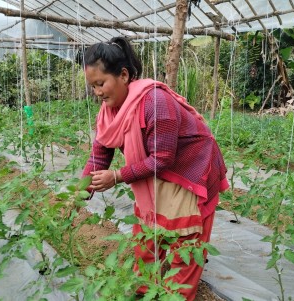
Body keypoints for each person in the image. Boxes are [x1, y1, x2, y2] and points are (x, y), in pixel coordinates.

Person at [82, 36, 228, 301]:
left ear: (123, 75)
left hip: (190, 169)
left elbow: (162, 159)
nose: (98, 93)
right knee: (148, 233)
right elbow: (99, 153)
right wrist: (80, 191)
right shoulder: (109, 111)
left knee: (186, 238)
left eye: (101, 83)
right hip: (158, 171)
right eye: (93, 87)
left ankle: (177, 294)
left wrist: (117, 176)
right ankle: (144, 290)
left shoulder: (155, 102)